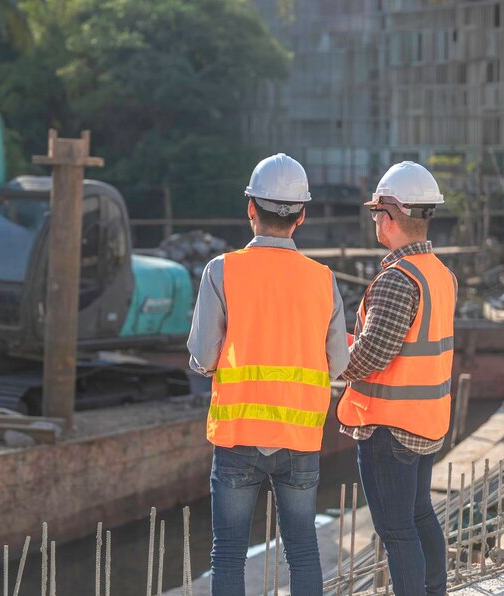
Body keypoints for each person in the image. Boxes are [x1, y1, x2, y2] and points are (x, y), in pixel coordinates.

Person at [188, 153, 349, 596]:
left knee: (228, 554)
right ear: (302, 216)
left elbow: (202, 356)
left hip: (239, 434)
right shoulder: (323, 278)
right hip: (299, 437)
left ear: (251, 210)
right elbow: (339, 363)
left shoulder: (221, 271)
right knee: (302, 552)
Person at [337, 161, 456, 596]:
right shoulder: (441, 275)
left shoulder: (396, 279)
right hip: (426, 420)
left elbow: (367, 358)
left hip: (390, 426)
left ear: (389, 215)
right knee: (419, 514)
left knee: (396, 530)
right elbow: (403, 345)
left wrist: (326, 353)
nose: (374, 220)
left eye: (375, 212)